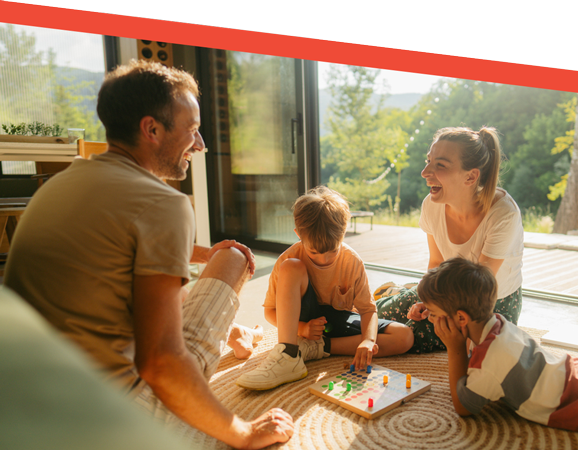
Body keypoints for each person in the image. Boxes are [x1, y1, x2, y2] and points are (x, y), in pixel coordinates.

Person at [4, 60, 293, 449]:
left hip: (26, 396)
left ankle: (230, 332)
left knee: (205, 269)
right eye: (192, 130)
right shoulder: (164, 204)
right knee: (235, 259)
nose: (200, 144)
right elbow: (161, 363)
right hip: (107, 415)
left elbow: (118, 242)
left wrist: (203, 253)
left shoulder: (62, 183)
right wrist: (242, 432)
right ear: (151, 129)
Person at [236, 186, 414, 390]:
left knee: (404, 336)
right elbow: (269, 311)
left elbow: (367, 310)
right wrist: (302, 328)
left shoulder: (352, 261)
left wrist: (367, 340)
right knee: (291, 267)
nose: (325, 259)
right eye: (314, 252)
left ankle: (318, 349)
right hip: (302, 323)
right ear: (298, 235)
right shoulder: (288, 259)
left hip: (338, 321)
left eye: (332, 250)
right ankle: (289, 354)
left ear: (344, 232)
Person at [376, 126, 524, 354]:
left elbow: (479, 289)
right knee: (377, 313)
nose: (425, 172)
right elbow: (435, 263)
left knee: (410, 334)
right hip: (446, 291)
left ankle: (330, 343)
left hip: (487, 303)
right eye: (428, 161)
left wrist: (435, 309)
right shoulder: (431, 204)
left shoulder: (503, 214)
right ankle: (395, 295)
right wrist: (425, 299)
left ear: (471, 176)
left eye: (440, 165)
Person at [418, 257, 578, 434]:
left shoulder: (490, 361)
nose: (430, 318)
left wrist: (454, 348)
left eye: (433, 313)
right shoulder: (498, 323)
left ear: (461, 318)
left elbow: (463, 407)